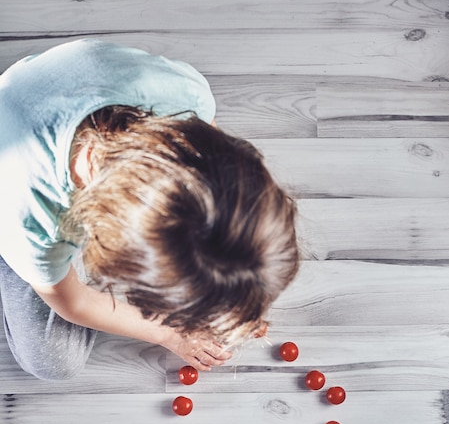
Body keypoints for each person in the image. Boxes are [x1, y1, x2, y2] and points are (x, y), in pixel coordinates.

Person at [0, 38, 299, 381]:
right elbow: (72, 302)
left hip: (53, 90)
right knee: (53, 362)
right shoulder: (35, 215)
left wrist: (234, 294)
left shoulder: (189, 98)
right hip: (12, 181)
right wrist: (167, 332)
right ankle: (13, 256)